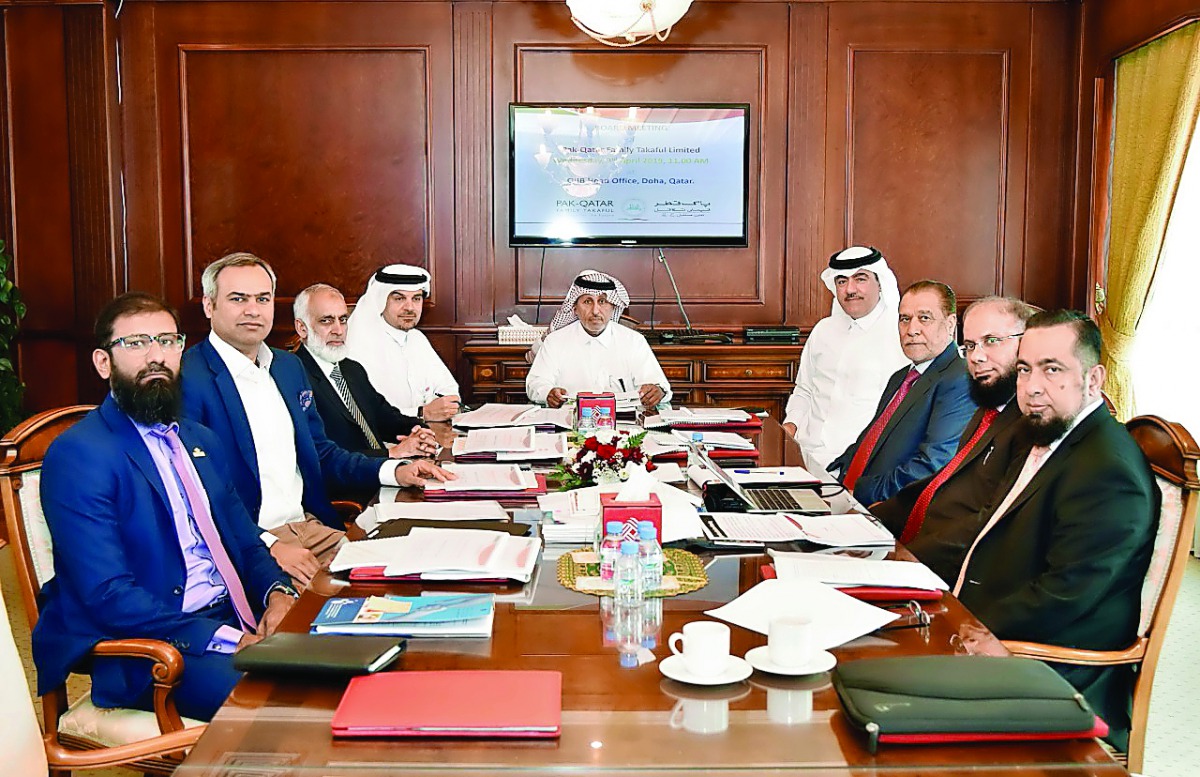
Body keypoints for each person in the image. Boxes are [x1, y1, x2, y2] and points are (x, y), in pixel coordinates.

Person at [34, 292, 295, 721]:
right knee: (290, 705)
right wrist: (226, 638)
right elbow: (108, 595)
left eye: (167, 341)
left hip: (236, 615)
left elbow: (246, 544)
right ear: (104, 363)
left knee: (352, 666)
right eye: (135, 343)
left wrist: (278, 594)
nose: (156, 356)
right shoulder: (80, 454)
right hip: (157, 651)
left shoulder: (199, 439)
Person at [181, 253, 451, 589]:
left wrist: (396, 471)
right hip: (249, 543)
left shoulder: (286, 368)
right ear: (209, 305)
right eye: (238, 299)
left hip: (310, 526)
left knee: (406, 577)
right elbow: (195, 489)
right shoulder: (186, 378)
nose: (253, 309)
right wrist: (269, 545)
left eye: (263, 299)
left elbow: (321, 452)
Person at [954, 310, 1157, 751]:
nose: (1032, 387)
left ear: (1094, 378)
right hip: (992, 635)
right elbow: (985, 528)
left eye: (1052, 369)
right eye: (1025, 369)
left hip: (1054, 675)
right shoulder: (1041, 434)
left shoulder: (1108, 470)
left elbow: (1063, 594)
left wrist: (958, 626)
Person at [871, 296, 1036, 582]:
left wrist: (907, 557)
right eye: (970, 345)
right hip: (914, 551)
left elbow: (989, 521)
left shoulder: (1030, 426)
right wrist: (874, 517)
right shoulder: (988, 409)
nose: (976, 357)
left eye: (992, 341)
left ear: (1027, 345)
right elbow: (941, 482)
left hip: (954, 573)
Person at [828, 280, 974, 506]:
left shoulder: (960, 379)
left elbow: (931, 464)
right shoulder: (901, 377)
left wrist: (857, 491)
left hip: (887, 510)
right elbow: (870, 441)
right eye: (905, 319)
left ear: (950, 323)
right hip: (848, 498)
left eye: (924, 318)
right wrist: (832, 476)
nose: (912, 330)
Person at [782, 247, 907, 472]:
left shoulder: (901, 335)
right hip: (804, 457)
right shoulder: (823, 330)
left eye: (860, 279)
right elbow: (804, 390)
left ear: (880, 283)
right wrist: (788, 430)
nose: (850, 289)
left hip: (860, 466)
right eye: (841, 281)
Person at [293, 283, 437, 459]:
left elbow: (386, 417)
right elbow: (319, 454)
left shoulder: (352, 369)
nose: (338, 330)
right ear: (302, 328)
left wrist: (419, 431)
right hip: (346, 482)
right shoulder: (294, 376)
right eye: (326, 321)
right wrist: (391, 453)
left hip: (382, 471)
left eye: (343, 320)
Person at [525, 270, 672, 409]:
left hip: (624, 425)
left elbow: (659, 386)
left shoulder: (634, 341)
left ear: (613, 306)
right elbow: (535, 384)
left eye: (602, 301)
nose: (595, 311)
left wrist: (657, 391)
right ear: (575, 308)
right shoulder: (555, 341)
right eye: (588, 302)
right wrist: (548, 393)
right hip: (570, 421)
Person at [345, 264, 461, 421]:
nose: (409, 308)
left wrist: (445, 404)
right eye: (399, 298)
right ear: (380, 300)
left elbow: (449, 389)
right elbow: (363, 413)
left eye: (416, 299)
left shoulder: (417, 338)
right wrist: (421, 412)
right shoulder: (358, 344)